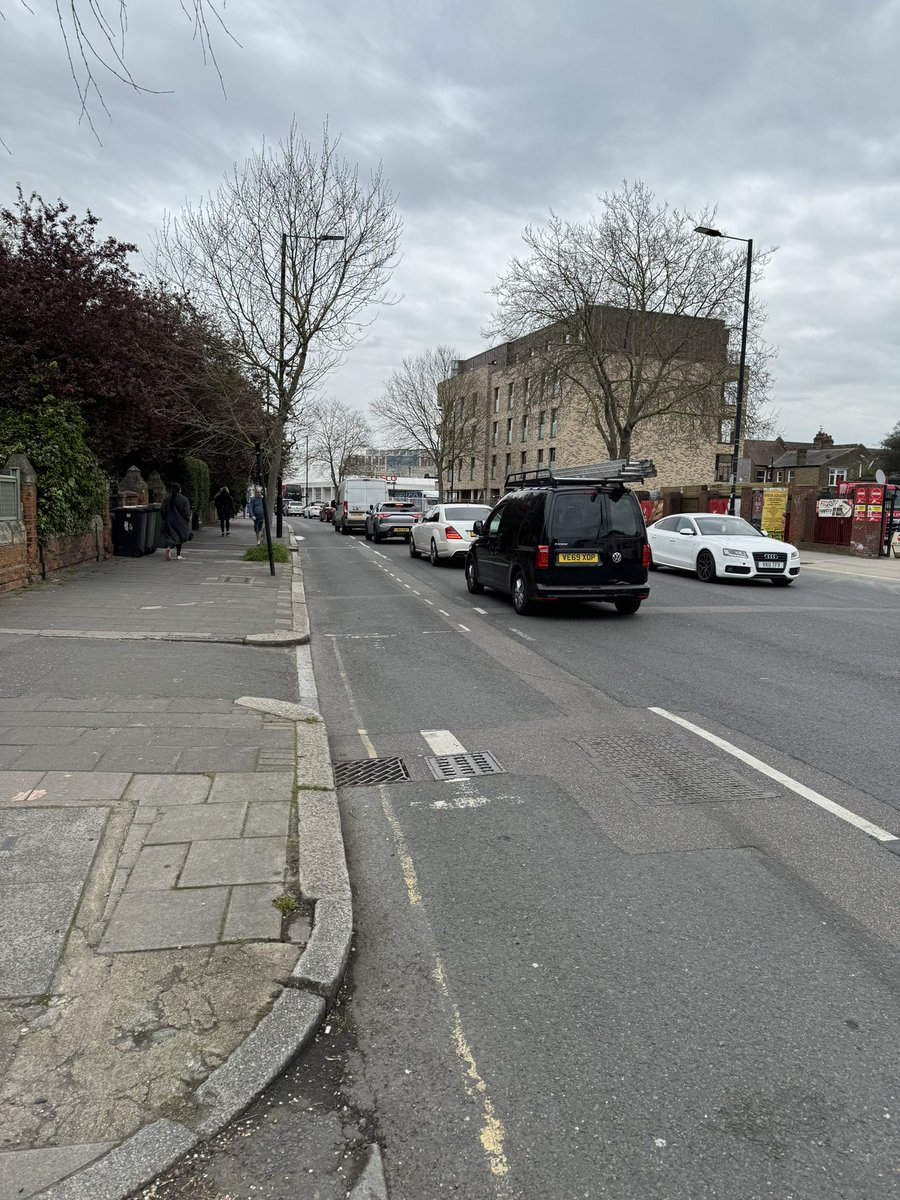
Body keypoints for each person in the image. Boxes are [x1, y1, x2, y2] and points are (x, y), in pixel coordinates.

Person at [160, 482, 192, 561]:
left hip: (169, 520)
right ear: (180, 489)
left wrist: (164, 518)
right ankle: (178, 554)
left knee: (171, 536)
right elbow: (186, 512)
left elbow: (162, 510)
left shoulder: (167, 498)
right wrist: (187, 520)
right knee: (179, 538)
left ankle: (169, 547)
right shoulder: (184, 499)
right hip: (180, 522)